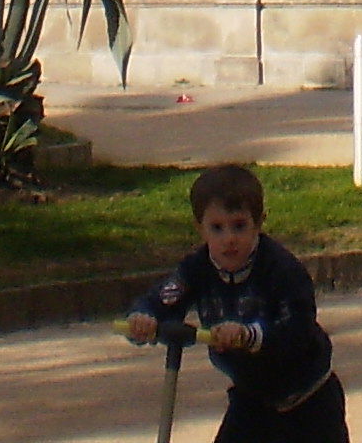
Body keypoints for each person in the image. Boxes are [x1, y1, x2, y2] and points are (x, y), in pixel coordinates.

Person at [126, 162, 346, 441]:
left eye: (239, 226)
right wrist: (144, 318)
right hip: (252, 398)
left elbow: (297, 329)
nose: (229, 239)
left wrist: (248, 335)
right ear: (200, 229)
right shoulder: (196, 269)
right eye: (217, 228)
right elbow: (165, 298)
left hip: (310, 397)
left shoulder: (281, 269)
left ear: (259, 223)